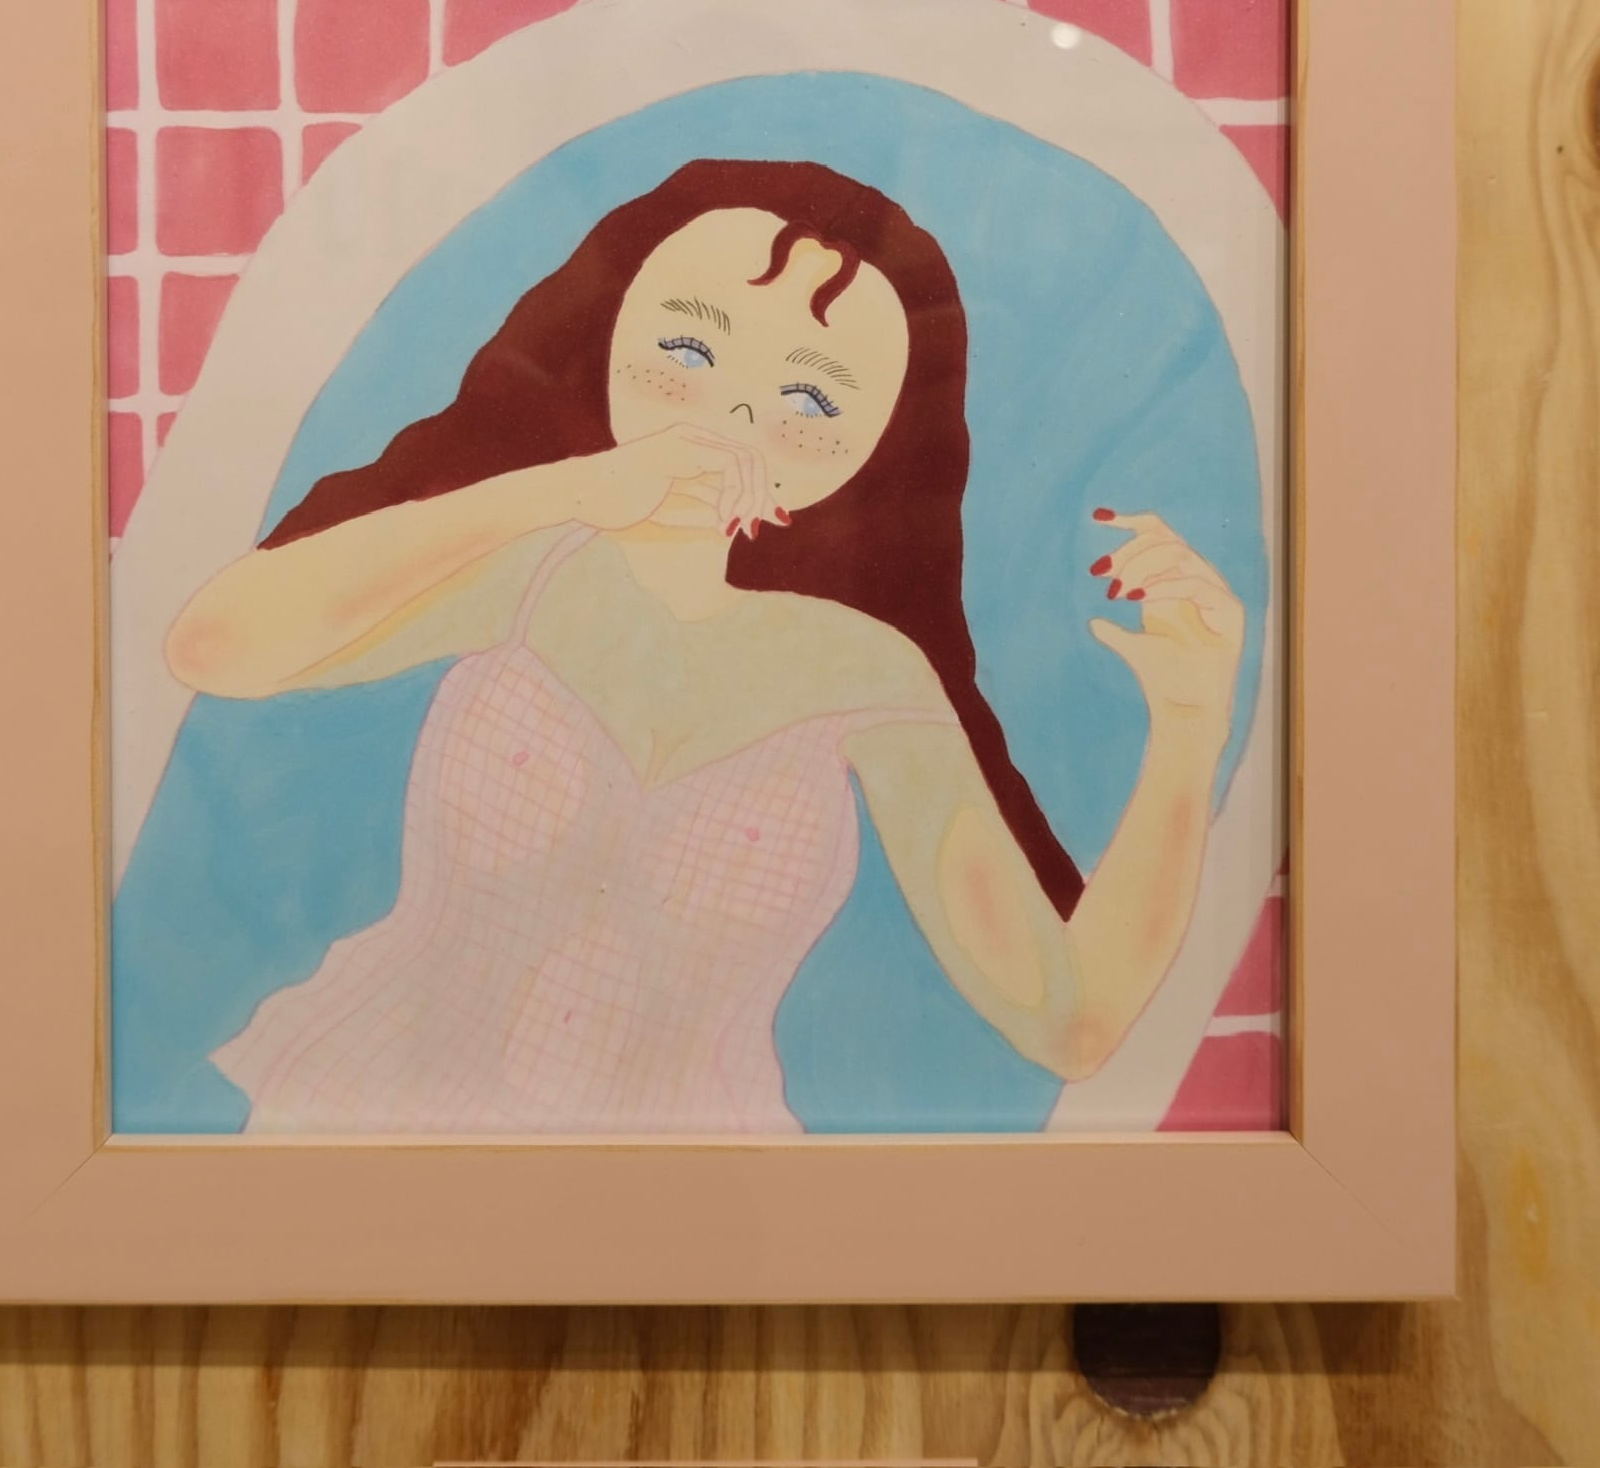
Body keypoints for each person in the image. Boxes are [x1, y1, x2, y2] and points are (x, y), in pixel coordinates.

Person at [165, 158, 1245, 1133]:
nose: (732, 414)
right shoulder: (533, 571)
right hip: (367, 1126)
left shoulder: (868, 674)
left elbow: (1067, 1022)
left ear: (874, 444)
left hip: (688, 1211)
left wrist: (1192, 723)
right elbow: (214, 647)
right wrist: (571, 489)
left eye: (809, 396)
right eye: (687, 347)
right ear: (608, 331)